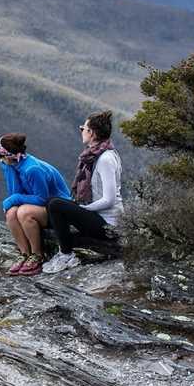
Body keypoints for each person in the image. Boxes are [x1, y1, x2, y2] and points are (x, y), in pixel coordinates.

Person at [43, 111, 124, 274]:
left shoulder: (105, 159)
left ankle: (66, 255)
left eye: (83, 128)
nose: (81, 131)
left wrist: (83, 209)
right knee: (52, 202)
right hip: (99, 216)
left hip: (109, 225)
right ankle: (63, 250)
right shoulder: (97, 155)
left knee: (56, 205)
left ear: (92, 133)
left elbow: (109, 199)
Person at [0, 133, 72, 276]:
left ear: (9, 155)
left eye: (1, 155)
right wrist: (9, 169)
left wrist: (14, 199)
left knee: (23, 212)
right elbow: (15, 192)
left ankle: (38, 255)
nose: (0, 159)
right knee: (11, 212)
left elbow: (42, 199)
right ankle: (25, 254)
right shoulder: (15, 165)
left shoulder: (32, 169)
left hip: (59, 211)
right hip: (42, 207)